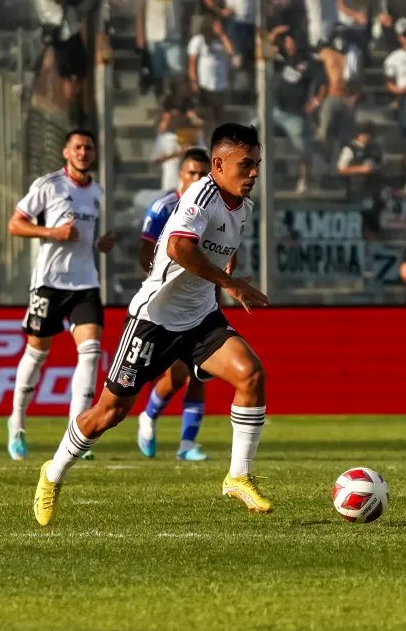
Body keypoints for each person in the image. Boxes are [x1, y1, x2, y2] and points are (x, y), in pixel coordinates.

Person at [33, 123, 270, 527]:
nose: (253, 173)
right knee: (110, 412)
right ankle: (52, 473)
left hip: (200, 318)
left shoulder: (243, 206)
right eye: (245, 165)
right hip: (154, 319)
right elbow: (178, 247)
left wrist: (227, 272)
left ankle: (238, 475)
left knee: (251, 374)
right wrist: (228, 283)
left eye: (257, 165)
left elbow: (219, 248)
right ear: (218, 165)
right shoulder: (202, 194)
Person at [5, 129, 116, 461]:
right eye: (77, 147)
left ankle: (76, 433)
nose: (83, 152)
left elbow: (83, 237)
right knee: (37, 354)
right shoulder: (49, 185)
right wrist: (52, 232)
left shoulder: (96, 191)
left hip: (85, 283)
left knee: (91, 353)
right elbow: (15, 224)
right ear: (66, 152)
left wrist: (98, 244)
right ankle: (17, 423)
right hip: (49, 283)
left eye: (88, 148)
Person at [135, 147, 214, 461]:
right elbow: (145, 251)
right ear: (181, 174)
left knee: (200, 371)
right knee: (178, 374)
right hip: (169, 303)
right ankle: (148, 415)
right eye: (192, 172)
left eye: (203, 174)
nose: (197, 178)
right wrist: (160, 281)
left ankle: (187, 444)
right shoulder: (164, 206)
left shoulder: (213, 207)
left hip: (203, 299)